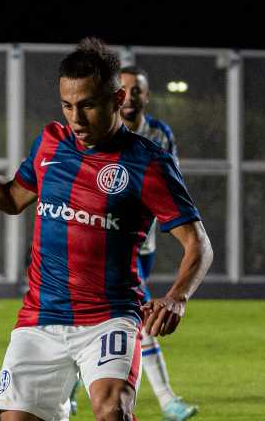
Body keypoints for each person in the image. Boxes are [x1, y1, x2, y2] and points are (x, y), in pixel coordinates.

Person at [0, 37, 213, 421]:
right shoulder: (50, 143)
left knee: (112, 410)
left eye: (88, 105)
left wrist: (177, 297)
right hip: (40, 317)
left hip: (109, 317)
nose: (76, 118)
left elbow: (198, 244)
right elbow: (9, 198)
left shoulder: (149, 163)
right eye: (67, 105)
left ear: (117, 98)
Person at [63, 63, 192, 421]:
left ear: (146, 96)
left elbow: (172, 185)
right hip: (111, 243)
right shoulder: (99, 133)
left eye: (139, 90)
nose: (132, 96)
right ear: (116, 95)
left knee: (108, 317)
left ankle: (73, 384)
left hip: (144, 244)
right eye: (127, 89)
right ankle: (167, 400)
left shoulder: (159, 135)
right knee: (134, 314)